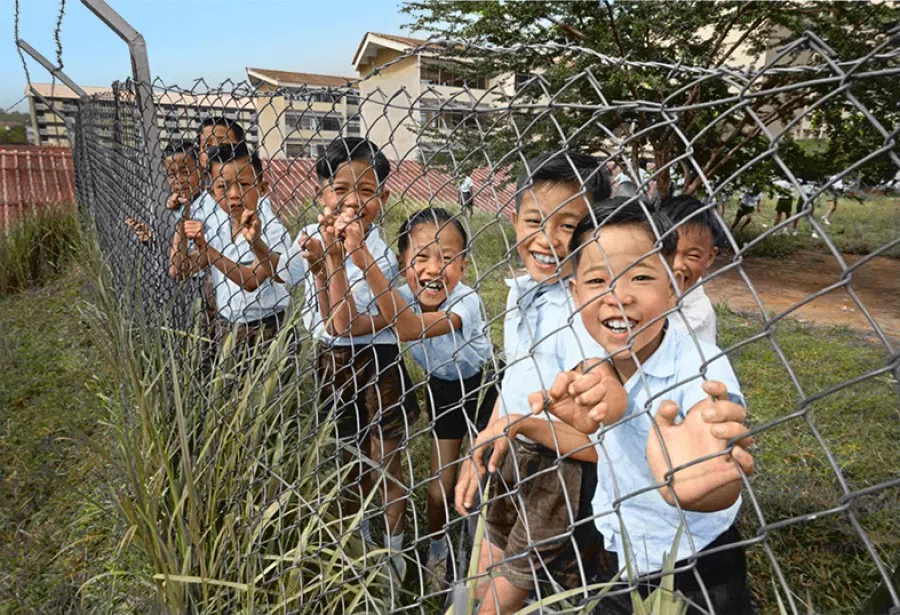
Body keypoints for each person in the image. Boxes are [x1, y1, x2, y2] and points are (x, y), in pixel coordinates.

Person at [545, 197, 756, 614]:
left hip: (698, 561)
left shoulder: (701, 365)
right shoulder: (591, 356)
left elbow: (719, 464)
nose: (617, 297)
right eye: (596, 281)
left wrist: (706, 483)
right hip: (619, 542)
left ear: (673, 287)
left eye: (640, 277)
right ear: (574, 293)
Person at [454, 151, 626, 615]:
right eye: (536, 219)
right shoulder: (523, 293)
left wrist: (517, 426)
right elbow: (515, 378)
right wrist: (487, 436)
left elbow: (600, 445)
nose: (548, 238)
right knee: (483, 567)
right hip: (511, 446)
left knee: (527, 588)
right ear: (514, 222)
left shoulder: (591, 315)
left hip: (561, 466)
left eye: (568, 225)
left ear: (595, 232)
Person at [274, 137, 419, 582]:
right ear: (321, 195)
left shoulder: (389, 253)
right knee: (350, 456)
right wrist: (316, 261)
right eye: (340, 189)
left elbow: (372, 319)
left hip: (379, 360)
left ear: (385, 197)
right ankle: (363, 542)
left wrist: (340, 261)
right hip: (330, 362)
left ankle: (395, 554)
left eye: (367, 190)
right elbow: (288, 281)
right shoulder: (310, 239)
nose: (354, 201)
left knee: (387, 455)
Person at [335, 206, 498, 592]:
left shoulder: (466, 301)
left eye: (448, 258)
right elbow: (350, 325)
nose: (434, 268)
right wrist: (333, 263)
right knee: (438, 489)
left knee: (487, 485)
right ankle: (438, 549)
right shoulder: (403, 295)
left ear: (465, 264)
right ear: (403, 262)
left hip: (486, 389)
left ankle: (483, 562)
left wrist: (363, 259)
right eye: (421, 257)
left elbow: (407, 328)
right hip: (444, 389)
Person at [168, 142, 291, 344]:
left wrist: (206, 250)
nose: (233, 194)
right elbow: (179, 270)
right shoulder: (218, 226)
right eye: (222, 187)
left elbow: (251, 281)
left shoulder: (271, 229)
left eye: (243, 184)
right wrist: (183, 221)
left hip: (268, 327)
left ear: (262, 188)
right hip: (227, 325)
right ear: (213, 192)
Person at [660, 195, 726, 345]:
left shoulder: (700, 316)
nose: (677, 265)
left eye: (693, 255)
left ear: (710, 256)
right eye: (668, 251)